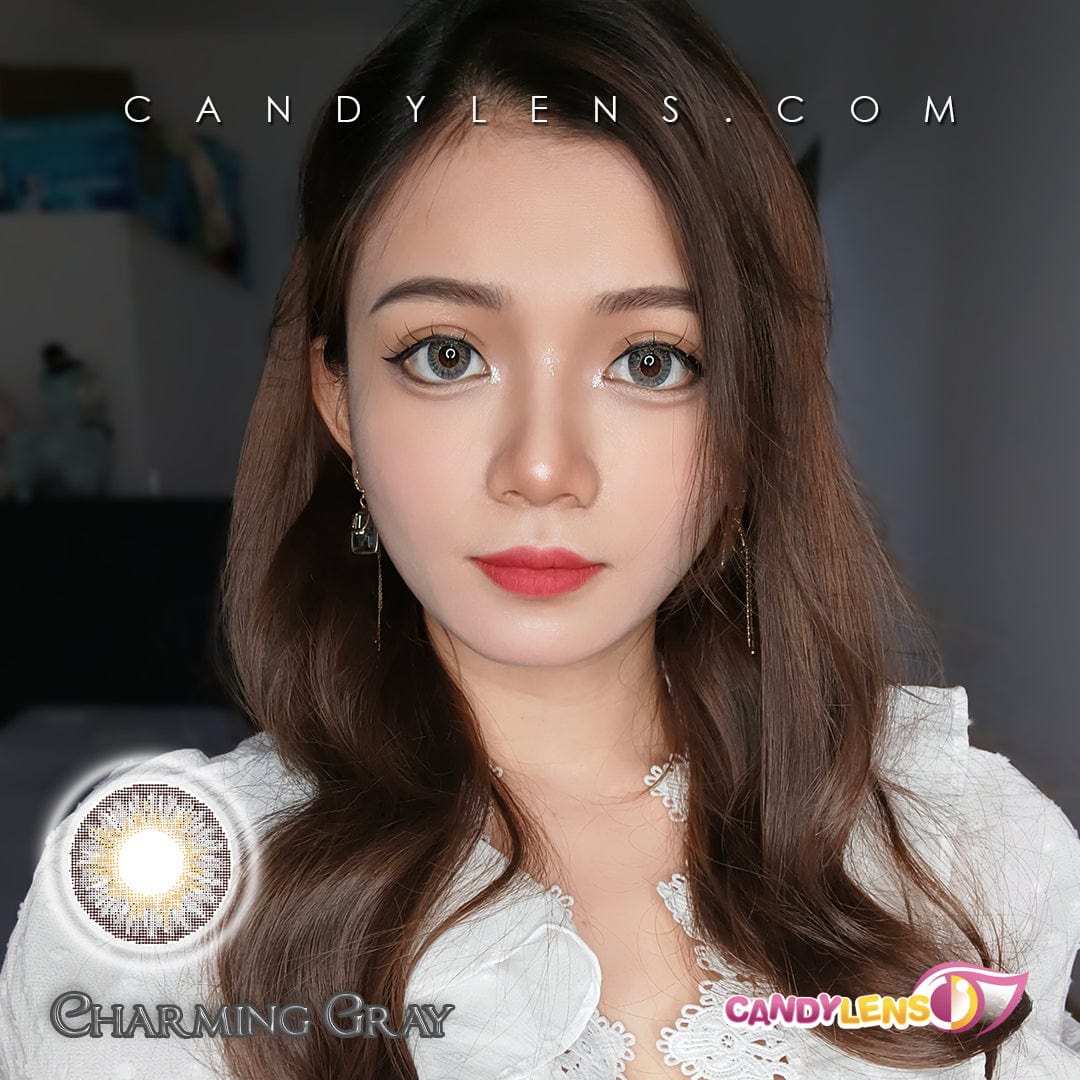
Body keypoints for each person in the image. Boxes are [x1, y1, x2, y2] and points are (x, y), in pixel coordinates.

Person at [2, 0, 1079, 1077]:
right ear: (339, 401)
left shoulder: (963, 849)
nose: (543, 468)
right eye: (447, 354)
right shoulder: (163, 926)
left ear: (749, 419)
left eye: (652, 360)